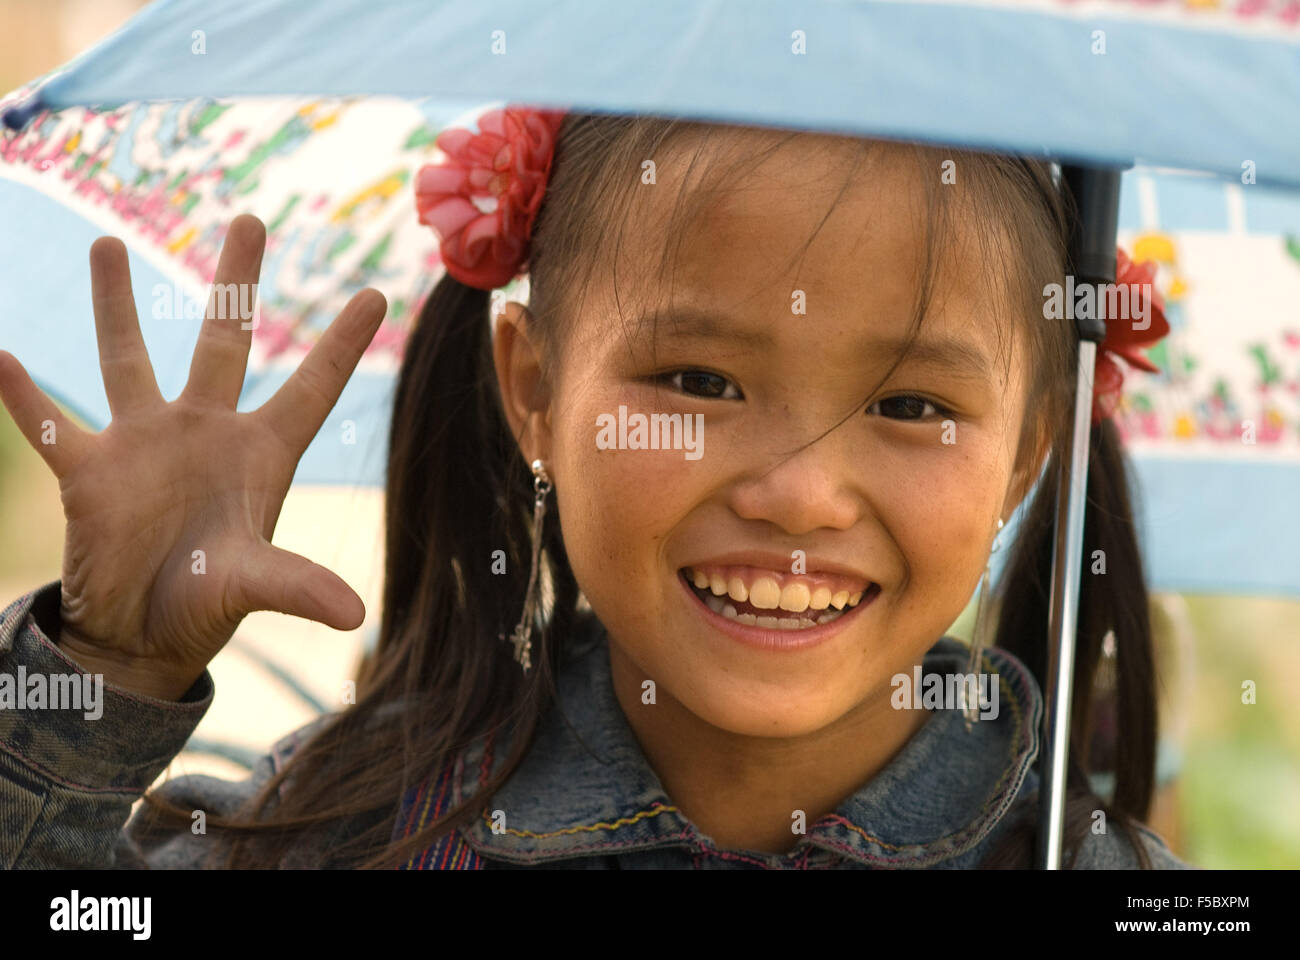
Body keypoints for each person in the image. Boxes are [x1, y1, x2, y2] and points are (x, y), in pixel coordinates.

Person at [0, 107, 1189, 869]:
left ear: (1031, 449)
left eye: (912, 407)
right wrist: (107, 674)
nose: (798, 494)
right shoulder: (338, 829)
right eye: (698, 380)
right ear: (533, 391)